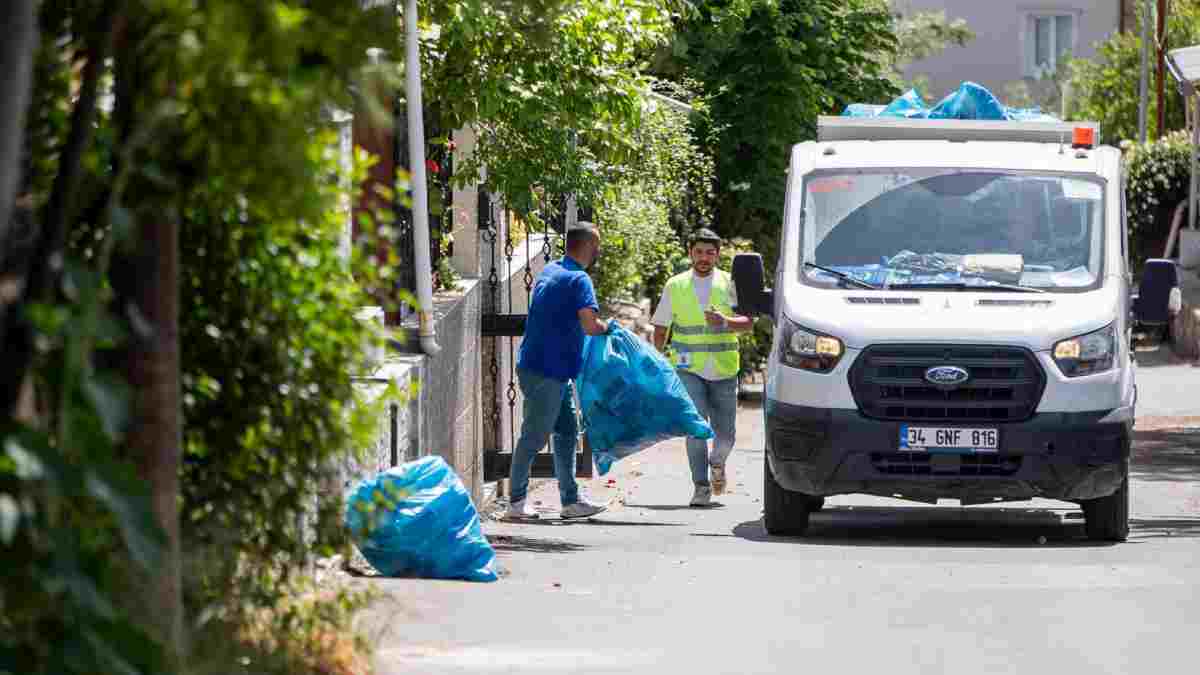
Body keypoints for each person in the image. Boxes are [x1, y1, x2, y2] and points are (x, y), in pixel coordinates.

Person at [505, 222, 613, 521]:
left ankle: (570, 500)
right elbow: (590, 325)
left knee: (566, 431)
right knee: (534, 436)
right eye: (597, 245)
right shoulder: (579, 279)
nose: (598, 251)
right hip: (546, 371)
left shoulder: (551, 269)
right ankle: (516, 503)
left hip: (545, 367)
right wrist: (609, 328)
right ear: (588, 246)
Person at [652, 229, 753, 507]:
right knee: (695, 427)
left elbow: (748, 323)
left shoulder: (730, 283)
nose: (704, 258)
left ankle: (717, 462)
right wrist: (658, 361)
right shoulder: (675, 285)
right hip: (688, 368)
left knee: (726, 434)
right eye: (699, 252)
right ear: (690, 253)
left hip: (724, 368)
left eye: (710, 252)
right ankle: (701, 486)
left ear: (717, 255)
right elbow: (660, 328)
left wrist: (725, 322)